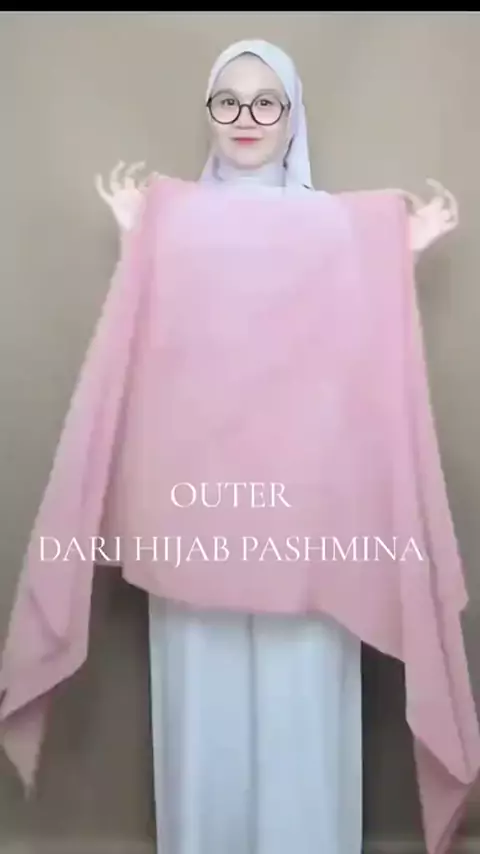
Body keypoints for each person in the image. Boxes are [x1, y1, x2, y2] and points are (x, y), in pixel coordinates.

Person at [95, 40, 459, 854]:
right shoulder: (172, 218)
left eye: (267, 101)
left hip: (305, 506)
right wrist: (134, 240)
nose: (246, 118)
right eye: (228, 99)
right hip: (196, 502)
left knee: (300, 686)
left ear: (293, 115)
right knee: (204, 680)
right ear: (209, 110)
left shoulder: (336, 227)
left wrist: (399, 253)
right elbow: (153, 348)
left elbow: (355, 356)